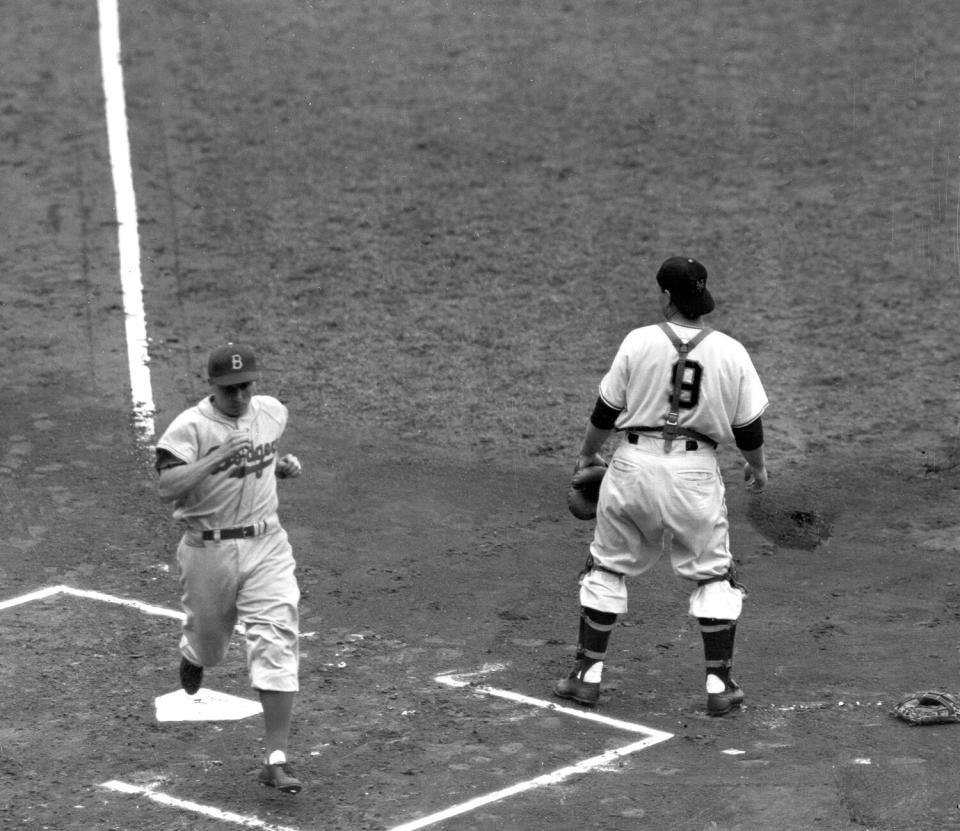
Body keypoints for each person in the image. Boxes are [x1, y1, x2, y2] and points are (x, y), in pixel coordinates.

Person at [554, 256, 769, 716]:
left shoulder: (638, 341)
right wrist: (758, 468)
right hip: (695, 476)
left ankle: (585, 679)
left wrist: (589, 455)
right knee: (713, 573)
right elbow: (748, 427)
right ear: (701, 297)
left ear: (666, 296)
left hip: (631, 465)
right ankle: (720, 686)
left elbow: (604, 412)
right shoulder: (731, 351)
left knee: (606, 567)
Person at [155, 343, 305, 793]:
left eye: (245, 387)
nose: (239, 396)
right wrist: (217, 457)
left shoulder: (272, 412)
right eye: (229, 389)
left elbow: (260, 459)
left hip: (267, 545)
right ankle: (194, 652)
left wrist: (279, 467)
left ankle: (275, 758)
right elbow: (166, 488)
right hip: (208, 552)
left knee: (276, 635)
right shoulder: (190, 427)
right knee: (212, 646)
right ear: (213, 387)